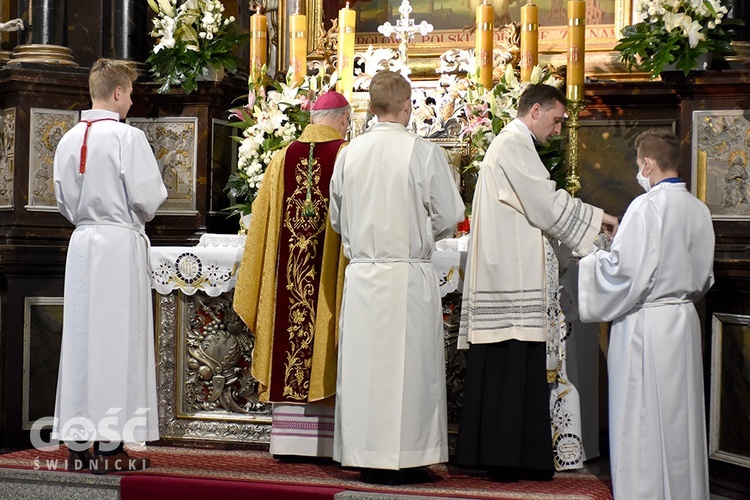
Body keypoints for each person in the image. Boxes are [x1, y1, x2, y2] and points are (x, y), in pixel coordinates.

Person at [455, 83, 619, 481]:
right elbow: (544, 202)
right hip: (510, 278)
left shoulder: (514, 145)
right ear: (535, 111)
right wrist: (598, 219)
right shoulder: (513, 145)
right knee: (512, 363)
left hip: (509, 272)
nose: (560, 129)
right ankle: (507, 459)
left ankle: (507, 455)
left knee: (508, 366)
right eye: (557, 119)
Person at [329, 70, 465, 484]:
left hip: (365, 274)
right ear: (407, 106)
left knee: (367, 369)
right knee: (408, 370)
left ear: (370, 108)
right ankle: (410, 454)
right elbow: (452, 215)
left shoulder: (348, 154)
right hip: (407, 274)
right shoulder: (422, 152)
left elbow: (337, 219)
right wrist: (426, 231)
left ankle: (364, 451)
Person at [577, 128, 715, 499]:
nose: (639, 172)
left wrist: (592, 259)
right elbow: (705, 277)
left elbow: (624, 272)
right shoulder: (699, 209)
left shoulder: (646, 207)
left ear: (649, 164)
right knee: (679, 414)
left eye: (640, 165)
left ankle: (645, 490)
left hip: (646, 323)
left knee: (641, 413)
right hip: (683, 319)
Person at [51, 58, 167, 474]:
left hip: (83, 244)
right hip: (118, 244)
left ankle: (78, 444)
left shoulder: (67, 139)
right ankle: (112, 443)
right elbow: (149, 200)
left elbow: (63, 201)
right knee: (117, 340)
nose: (132, 101)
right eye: (131, 94)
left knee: (83, 340)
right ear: (117, 93)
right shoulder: (127, 137)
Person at [233, 91, 351, 459]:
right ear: (344, 119)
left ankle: (289, 439)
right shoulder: (346, 156)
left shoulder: (282, 158)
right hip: (327, 280)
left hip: (287, 276)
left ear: (314, 119)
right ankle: (325, 442)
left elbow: (261, 227)